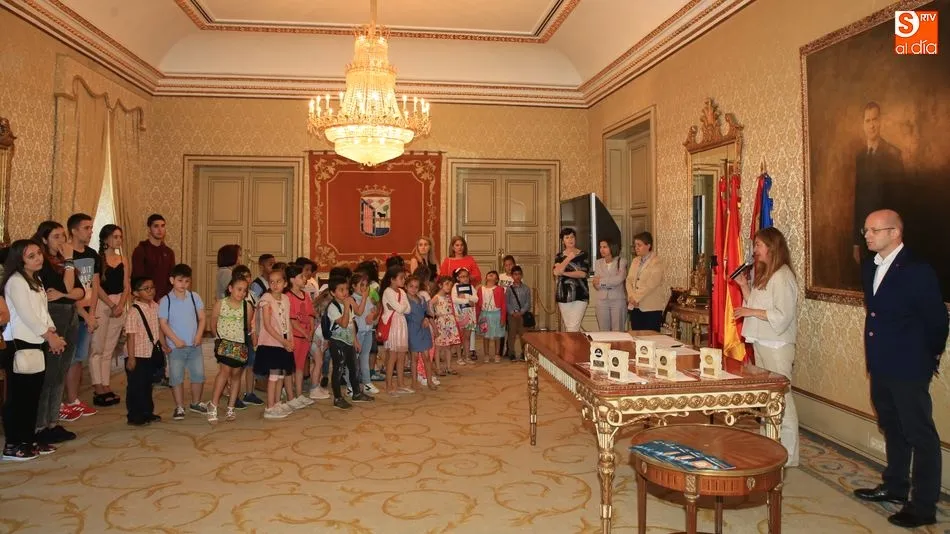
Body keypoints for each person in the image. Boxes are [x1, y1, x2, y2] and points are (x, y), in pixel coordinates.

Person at [852, 209, 947, 529]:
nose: (867, 235)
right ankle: (895, 485)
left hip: (909, 365)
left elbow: (937, 320)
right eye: (865, 229)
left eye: (874, 230)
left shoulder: (917, 270)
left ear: (895, 233)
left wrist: (928, 357)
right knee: (892, 426)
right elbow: (877, 316)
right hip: (880, 363)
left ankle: (923, 505)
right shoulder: (870, 267)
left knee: (919, 433)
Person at [733, 227, 800, 467]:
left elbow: (782, 315)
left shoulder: (783, 276)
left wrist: (750, 311)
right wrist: (743, 286)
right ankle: (769, 445)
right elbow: (755, 304)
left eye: (758, 246)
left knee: (783, 397)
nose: (755, 251)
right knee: (767, 397)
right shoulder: (765, 275)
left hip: (778, 345)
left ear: (772, 247)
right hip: (762, 341)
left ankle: (790, 453)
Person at [1, 240, 67, 461]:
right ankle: (12, 444)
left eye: (39, 253)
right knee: (19, 397)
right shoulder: (16, 282)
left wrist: (53, 334)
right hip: (19, 342)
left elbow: (42, 312)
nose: (38, 258)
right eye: (32, 256)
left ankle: (28, 440)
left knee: (32, 396)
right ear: (20, 260)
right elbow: (27, 315)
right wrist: (49, 336)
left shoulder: (35, 279)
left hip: (37, 341)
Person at [32, 221, 83, 443]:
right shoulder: (43, 264)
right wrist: (66, 292)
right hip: (54, 317)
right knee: (51, 372)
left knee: (62, 370)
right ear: (44, 239)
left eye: (63, 235)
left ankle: (53, 422)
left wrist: (65, 295)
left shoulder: (64, 262)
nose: (61, 240)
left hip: (70, 315)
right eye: (56, 236)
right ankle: (41, 425)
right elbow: (68, 288)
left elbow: (79, 292)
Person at [852, 102, 904, 267]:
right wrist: (856, 241)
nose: (872, 125)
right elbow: (859, 201)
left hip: (886, 239)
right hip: (866, 238)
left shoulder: (893, 155)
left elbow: (898, 203)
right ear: (863, 125)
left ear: (880, 122)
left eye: (875, 119)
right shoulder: (860, 157)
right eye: (868, 120)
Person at [158, 264, 207, 420]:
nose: (183, 285)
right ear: (172, 280)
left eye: (187, 281)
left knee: (198, 375)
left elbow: (202, 318)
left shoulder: (194, 297)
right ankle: (179, 406)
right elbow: (163, 323)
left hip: (194, 345)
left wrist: (199, 335)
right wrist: (175, 340)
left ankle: (196, 402)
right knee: (176, 376)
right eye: (180, 281)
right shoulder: (165, 300)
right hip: (176, 347)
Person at [63, 213, 101, 416]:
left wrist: (92, 313)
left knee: (78, 358)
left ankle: (73, 399)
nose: (90, 231)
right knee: (67, 358)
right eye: (86, 228)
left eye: (91, 228)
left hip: (88, 312)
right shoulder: (65, 255)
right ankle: (64, 401)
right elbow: (67, 290)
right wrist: (85, 315)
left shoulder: (93, 254)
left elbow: (95, 285)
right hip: (71, 313)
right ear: (74, 230)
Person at [90, 224, 129, 407]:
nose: (118, 240)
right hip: (101, 303)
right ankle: (97, 386)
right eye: (115, 236)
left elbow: (126, 285)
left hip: (119, 304)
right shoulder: (97, 259)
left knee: (109, 348)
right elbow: (95, 287)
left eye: (120, 237)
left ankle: (106, 385)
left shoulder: (123, 259)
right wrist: (112, 304)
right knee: (97, 347)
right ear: (105, 239)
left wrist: (120, 304)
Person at [207, 275, 255, 423]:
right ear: (230, 289)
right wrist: (217, 337)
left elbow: (247, 326)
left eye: (244, 291)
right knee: (224, 371)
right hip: (224, 343)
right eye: (239, 289)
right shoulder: (221, 304)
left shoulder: (247, 306)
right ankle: (213, 405)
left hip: (239, 344)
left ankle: (231, 407)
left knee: (236, 375)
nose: (242, 293)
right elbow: (213, 321)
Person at [325, 276, 375, 408]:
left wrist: (355, 340)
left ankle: (357, 393)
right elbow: (343, 323)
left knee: (354, 367)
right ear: (332, 292)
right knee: (338, 369)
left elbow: (353, 321)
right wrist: (346, 306)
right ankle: (337, 398)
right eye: (341, 290)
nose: (345, 292)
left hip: (348, 341)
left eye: (346, 289)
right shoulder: (332, 307)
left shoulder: (347, 302)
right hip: (337, 342)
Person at [254, 268, 296, 419]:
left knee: (279, 375)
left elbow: (287, 321)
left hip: (283, 342)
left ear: (285, 283)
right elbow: (267, 325)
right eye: (271, 282)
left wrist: (290, 340)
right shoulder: (266, 299)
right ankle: (269, 407)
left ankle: (277, 403)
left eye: (278, 281)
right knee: (273, 375)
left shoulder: (285, 299)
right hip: (271, 343)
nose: (275, 284)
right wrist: (283, 340)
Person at [124, 277, 164, 426]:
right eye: (146, 288)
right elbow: (130, 335)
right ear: (135, 293)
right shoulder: (134, 311)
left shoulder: (155, 306)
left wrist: (163, 344)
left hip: (149, 353)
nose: (150, 291)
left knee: (147, 385)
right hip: (137, 354)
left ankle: (148, 412)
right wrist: (131, 357)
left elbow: (158, 329)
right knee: (136, 386)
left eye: (152, 287)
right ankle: (134, 415)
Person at [624, 232, 670, 332]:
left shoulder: (657, 261)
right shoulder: (635, 261)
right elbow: (629, 280)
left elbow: (651, 284)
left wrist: (636, 298)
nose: (636, 248)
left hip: (651, 308)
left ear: (648, 245)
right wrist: (631, 297)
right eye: (635, 245)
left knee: (651, 339)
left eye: (639, 245)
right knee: (636, 338)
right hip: (635, 307)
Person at [380, 266, 411, 395]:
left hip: (402, 324)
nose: (404, 280)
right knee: (392, 356)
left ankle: (401, 383)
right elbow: (400, 309)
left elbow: (408, 310)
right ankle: (388, 385)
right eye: (401, 278)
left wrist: (400, 307)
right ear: (392, 279)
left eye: (404, 278)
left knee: (402, 356)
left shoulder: (402, 292)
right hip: (393, 325)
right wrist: (401, 307)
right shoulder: (387, 292)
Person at [132, 214, 176, 301]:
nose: (160, 230)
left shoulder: (169, 252)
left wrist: (164, 298)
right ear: (149, 229)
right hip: (145, 299)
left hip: (164, 300)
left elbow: (171, 279)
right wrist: (150, 298)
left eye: (162, 226)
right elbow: (138, 278)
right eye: (156, 226)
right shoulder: (141, 250)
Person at [553, 227, 589, 333]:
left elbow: (582, 274)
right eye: (567, 237)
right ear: (563, 240)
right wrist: (568, 258)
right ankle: (572, 348)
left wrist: (563, 273)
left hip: (580, 294)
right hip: (563, 294)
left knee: (573, 327)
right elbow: (556, 272)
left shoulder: (583, 254)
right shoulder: (559, 256)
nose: (570, 239)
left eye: (572, 237)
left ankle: (571, 348)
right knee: (569, 326)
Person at [592, 240, 628, 332]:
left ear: (612, 247)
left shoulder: (621, 261)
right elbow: (596, 283)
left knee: (618, 331)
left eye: (605, 247)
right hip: (602, 301)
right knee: (604, 331)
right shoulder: (598, 262)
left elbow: (619, 279)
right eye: (600, 247)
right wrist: (606, 282)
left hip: (618, 300)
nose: (602, 250)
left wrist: (601, 282)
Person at [476, 271, 507, 364]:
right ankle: (486, 354)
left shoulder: (499, 289)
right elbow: (478, 305)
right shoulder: (480, 289)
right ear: (486, 278)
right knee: (486, 336)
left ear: (496, 279)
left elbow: (503, 305)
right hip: (484, 314)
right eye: (489, 274)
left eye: (493, 275)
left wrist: (503, 318)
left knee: (497, 335)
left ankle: (497, 354)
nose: (491, 275)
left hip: (496, 314)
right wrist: (477, 317)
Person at [505, 266, 532, 361]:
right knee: (511, 334)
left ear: (522, 275)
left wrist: (521, 312)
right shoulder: (509, 289)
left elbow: (528, 303)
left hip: (522, 315)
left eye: (519, 274)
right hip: (512, 315)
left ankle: (524, 353)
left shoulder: (526, 289)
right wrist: (512, 312)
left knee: (523, 335)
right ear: (512, 276)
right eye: (515, 274)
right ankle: (511, 353)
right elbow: (507, 302)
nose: (517, 276)